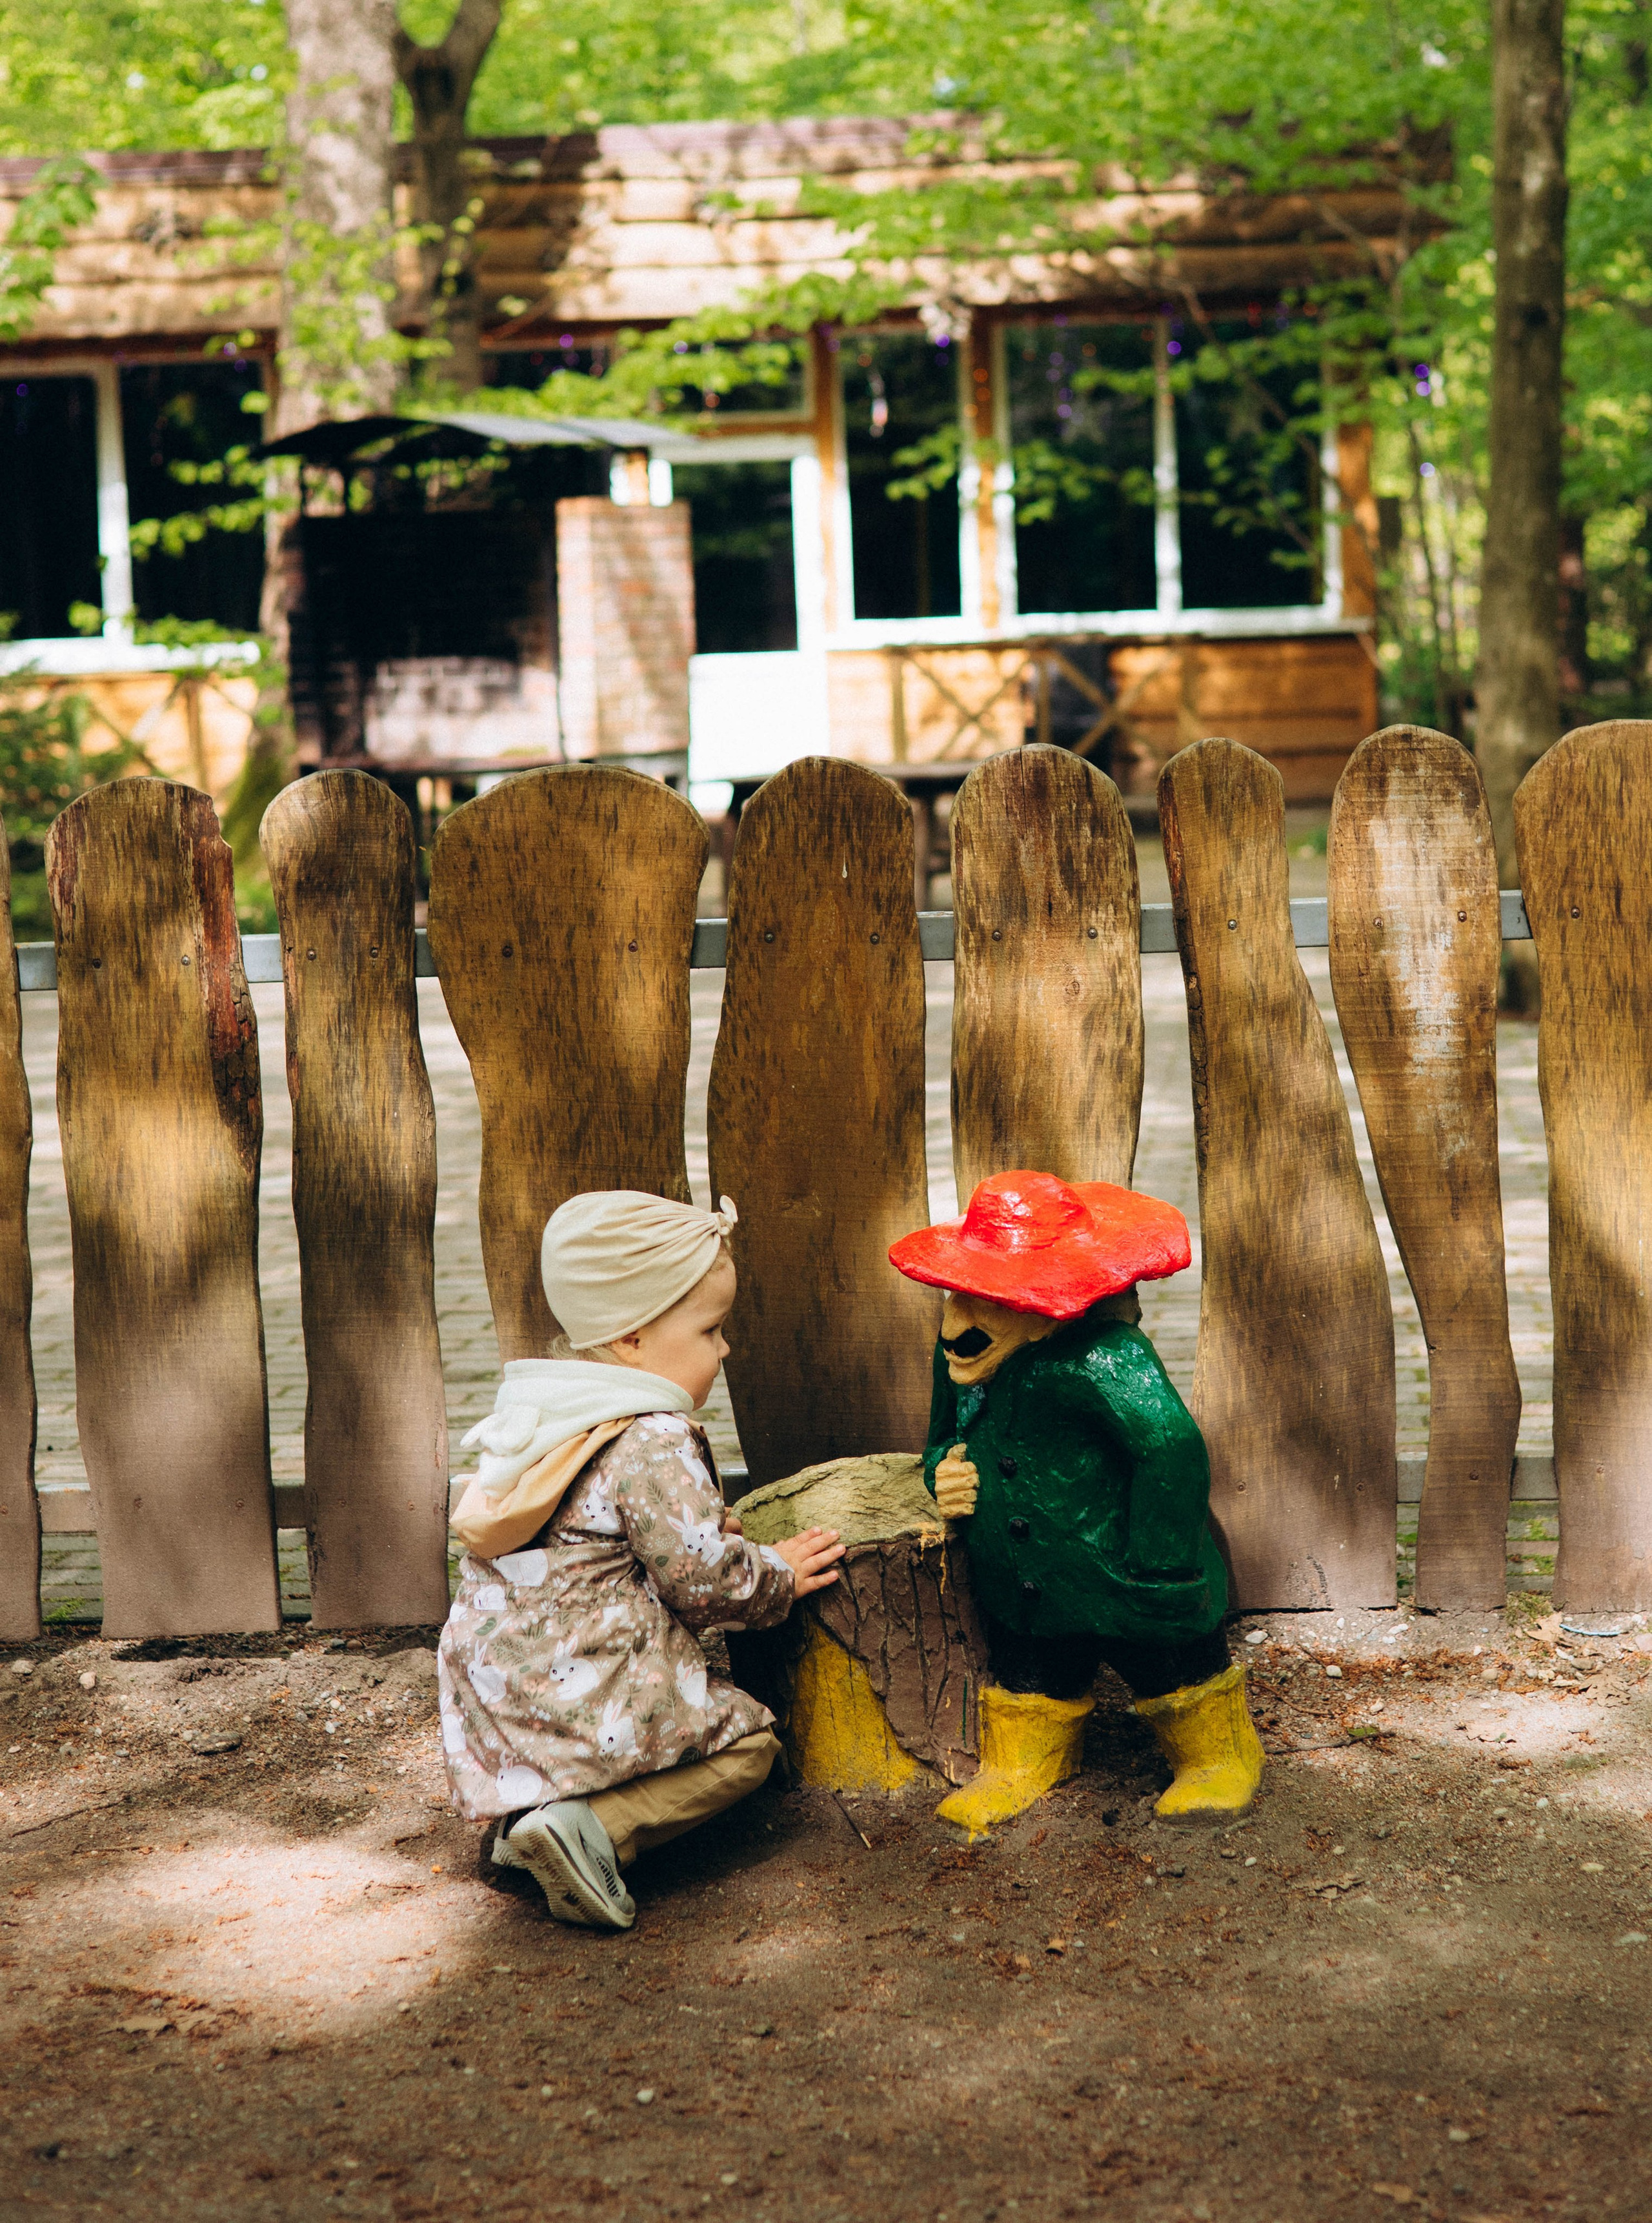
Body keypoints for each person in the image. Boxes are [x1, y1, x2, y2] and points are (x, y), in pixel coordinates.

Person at [439, 1189, 844, 1929]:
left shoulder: (543, 1410)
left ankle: (533, 1818)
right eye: (711, 1329)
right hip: (580, 1682)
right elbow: (704, 1582)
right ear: (631, 1339)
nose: (724, 1349)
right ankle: (593, 1832)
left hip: (500, 1693)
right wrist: (777, 1573)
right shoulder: (651, 1434)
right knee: (749, 1749)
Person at [889, 1170, 1264, 1834]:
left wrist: (1159, 1561)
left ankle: (1216, 1755)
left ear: (1044, 1303)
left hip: (1121, 1570)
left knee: (1172, 1666)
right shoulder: (962, 1358)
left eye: (987, 1298)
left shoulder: (1105, 1360)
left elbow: (1171, 1446)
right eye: (956, 1292)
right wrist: (939, 1470)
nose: (956, 1322)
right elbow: (942, 1436)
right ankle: (1026, 1760)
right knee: (1032, 1668)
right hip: (1026, 1580)